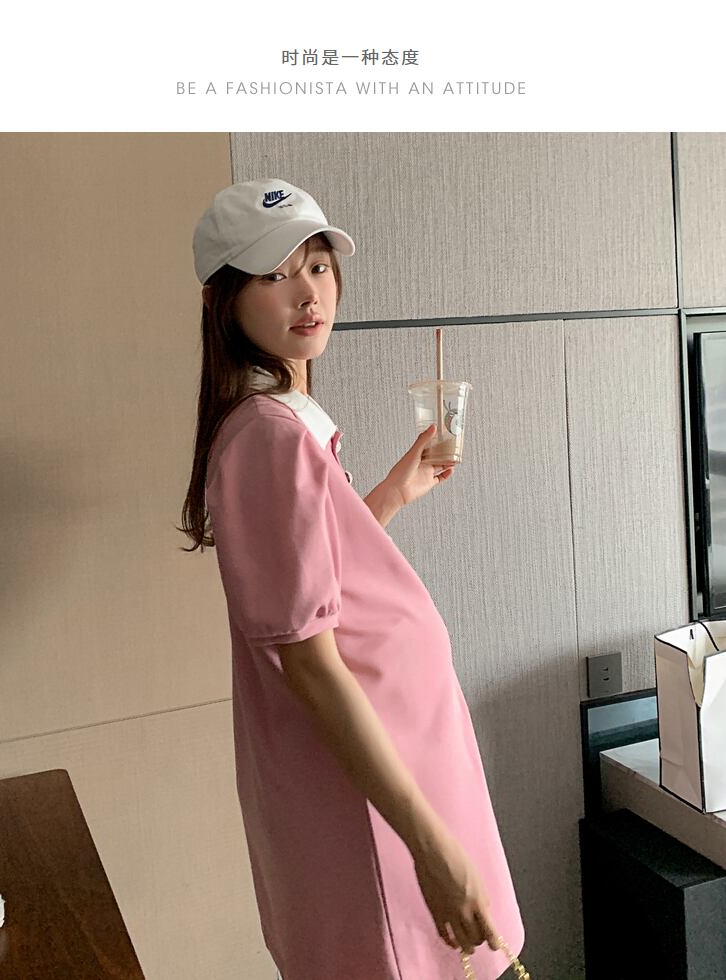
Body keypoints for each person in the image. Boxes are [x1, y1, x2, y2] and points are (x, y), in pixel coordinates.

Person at [179, 178, 525, 980]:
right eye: (274, 275)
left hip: (395, 774)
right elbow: (307, 660)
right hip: (373, 804)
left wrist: (393, 494)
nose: (309, 293)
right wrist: (430, 844)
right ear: (223, 301)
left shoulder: (285, 424)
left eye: (318, 265)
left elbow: (315, 581)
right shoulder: (268, 438)